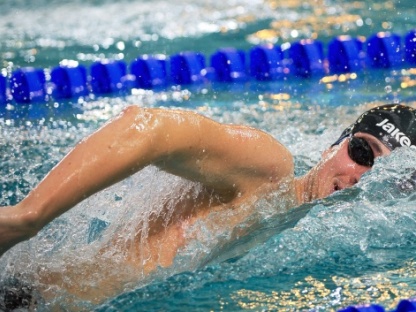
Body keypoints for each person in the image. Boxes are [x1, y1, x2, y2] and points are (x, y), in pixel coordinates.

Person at [0, 103, 415, 305]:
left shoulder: (294, 226)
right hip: (27, 298)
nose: (362, 175)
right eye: (362, 152)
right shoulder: (270, 170)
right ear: (335, 144)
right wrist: (29, 217)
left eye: (382, 172)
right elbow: (148, 126)